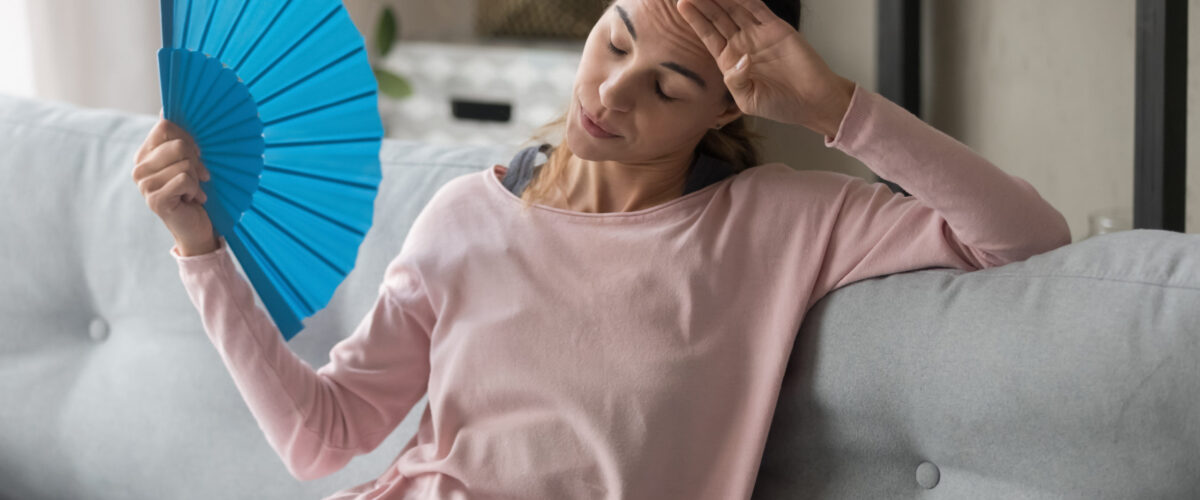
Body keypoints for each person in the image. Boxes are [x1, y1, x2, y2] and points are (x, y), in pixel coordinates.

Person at [130, 0, 1072, 498]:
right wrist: (201, 247)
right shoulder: (467, 213)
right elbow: (317, 437)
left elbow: (1024, 235)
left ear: (727, 108)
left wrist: (834, 108)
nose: (612, 94)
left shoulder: (780, 221)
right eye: (613, 40)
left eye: (667, 87)